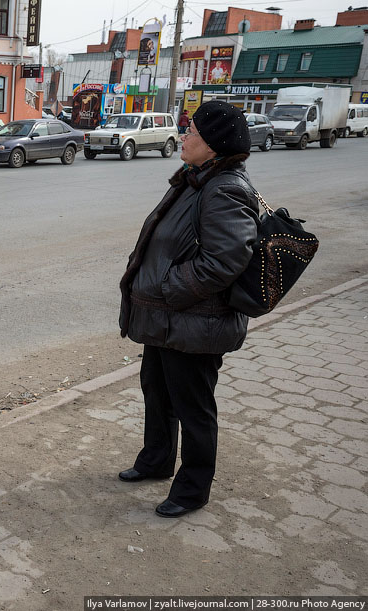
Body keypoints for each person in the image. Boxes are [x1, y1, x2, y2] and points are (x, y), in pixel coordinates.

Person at [117, 100, 259, 518]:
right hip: (168, 319)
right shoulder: (196, 179)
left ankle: (193, 488)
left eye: (191, 130)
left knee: (193, 407)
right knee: (157, 393)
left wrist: (169, 289)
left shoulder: (226, 188)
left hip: (197, 322)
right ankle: (156, 461)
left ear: (213, 143)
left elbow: (226, 259)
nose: (183, 135)